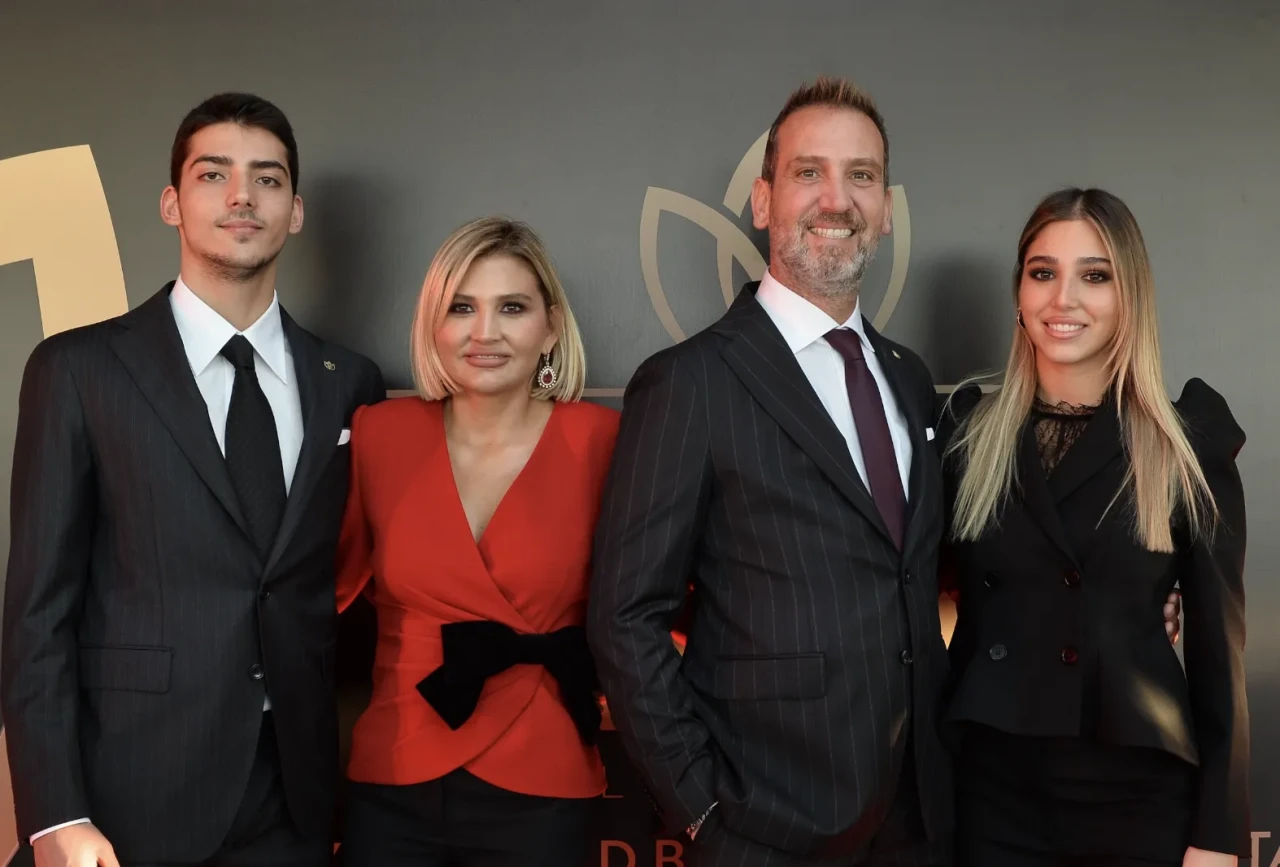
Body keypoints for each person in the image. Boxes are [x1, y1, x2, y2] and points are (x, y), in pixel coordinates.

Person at [1, 92, 385, 867]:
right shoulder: (78, 369)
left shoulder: (348, 381)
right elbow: (38, 612)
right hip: (129, 799)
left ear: (295, 211)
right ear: (172, 203)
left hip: (295, 803)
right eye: (214, 174)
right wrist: (55, 815)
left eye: (267, 178)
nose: (242, 195)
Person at [587, 76, 951, 866]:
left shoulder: (909, 378)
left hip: (918, 825)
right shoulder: (690, 382)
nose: (837, 198)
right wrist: (701, 810)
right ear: (762, 200)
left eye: (861, 175)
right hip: (763, 833)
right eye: (808, 172)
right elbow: (626, 615)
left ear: (886, 210)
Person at [938, 188, 1249, 867]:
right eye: (1042, 272)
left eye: (1095, 275)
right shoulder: (969, 436)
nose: (1064, 298)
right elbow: (922, 591)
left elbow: (1219, 661)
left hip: (1136, 800)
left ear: (1129, 295)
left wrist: (1219, 836)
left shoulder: (1186, 442)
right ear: (1019, 292)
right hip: (992, 794)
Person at [332, 217, 618, 866]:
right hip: (395, 776)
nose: (484, 332)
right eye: (461, 307)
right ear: (433, 325)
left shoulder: (604, 441)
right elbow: (320, 591)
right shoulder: (379, 434)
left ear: (550, 327)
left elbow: (653, 605)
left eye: (511, 307)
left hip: (544, 779)